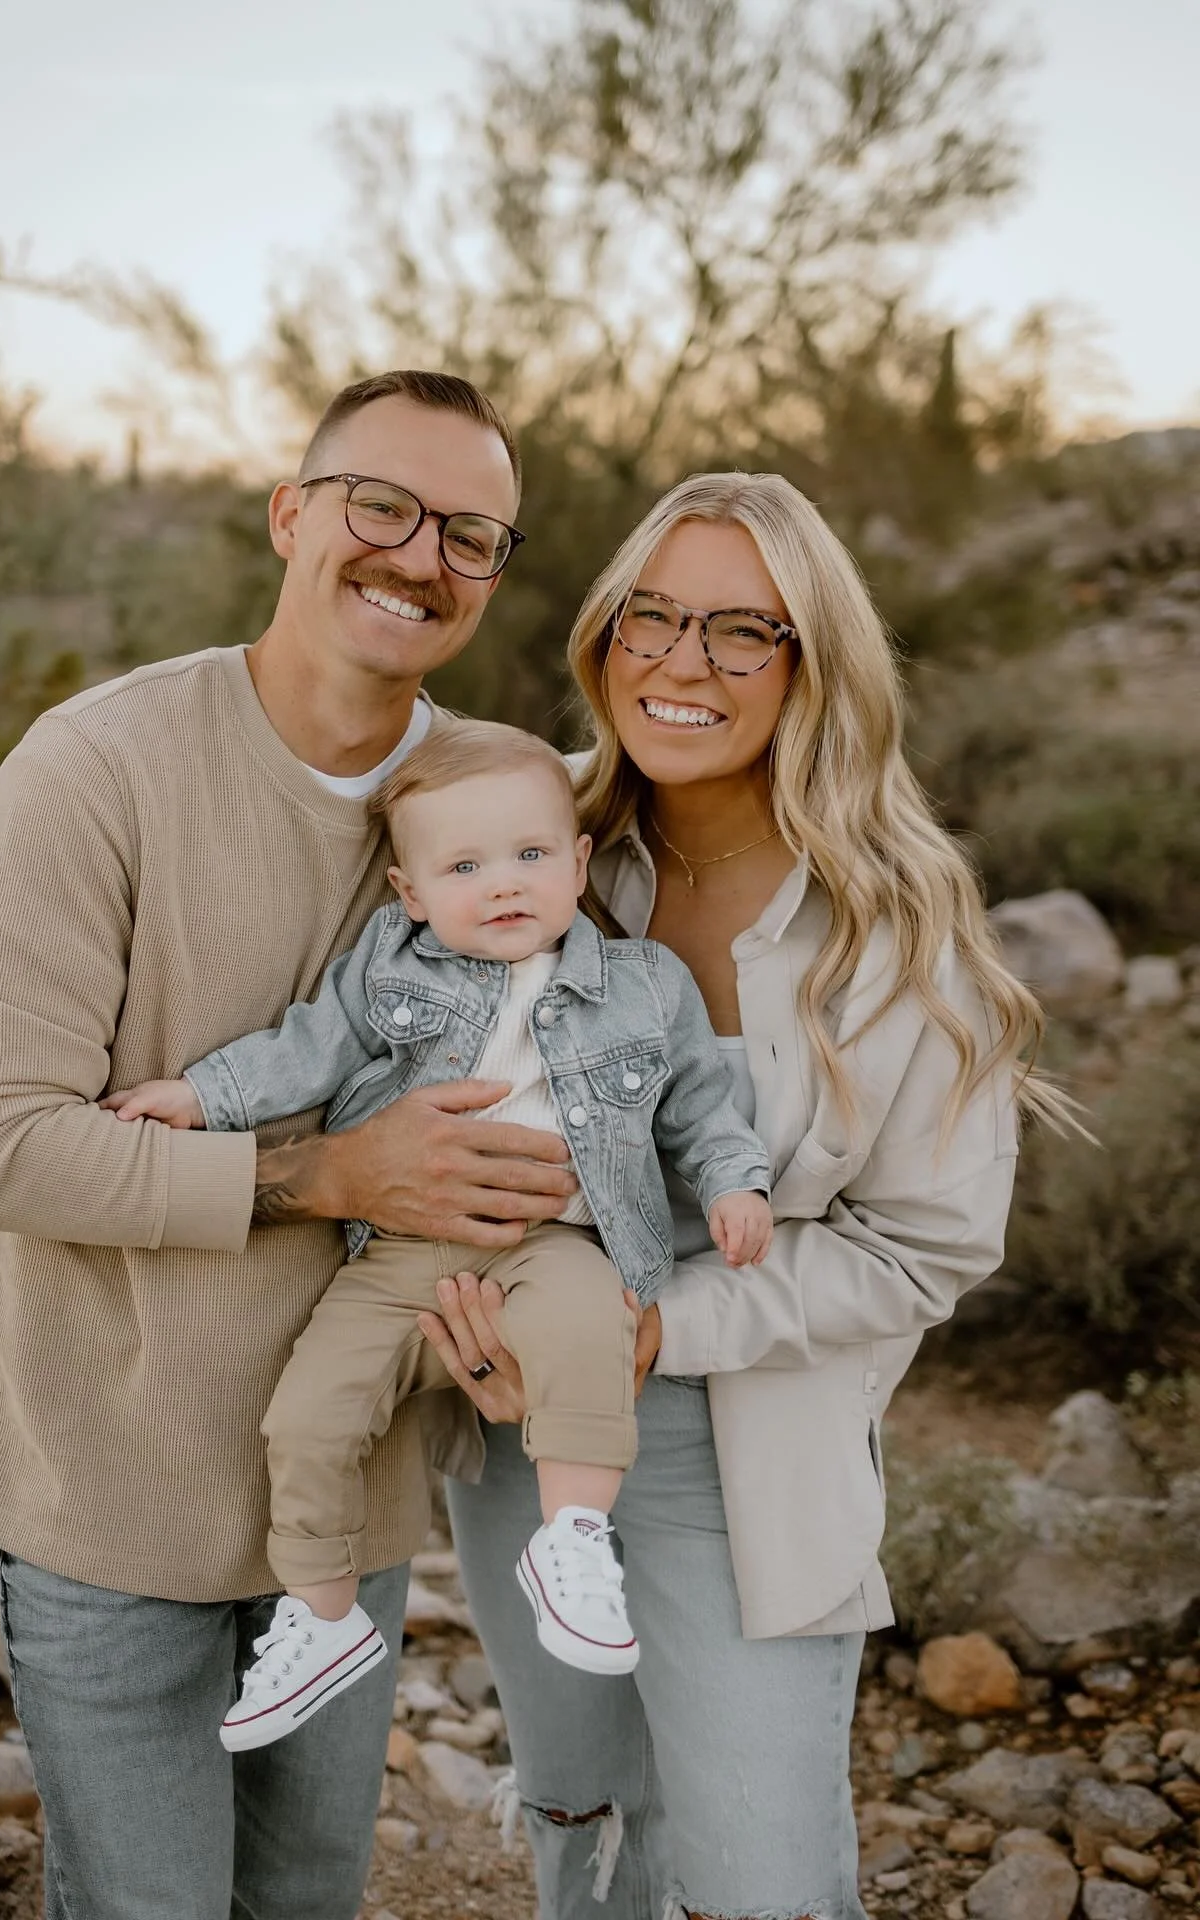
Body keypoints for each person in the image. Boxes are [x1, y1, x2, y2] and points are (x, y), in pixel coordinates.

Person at [0, 371, 587, 1920]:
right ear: (294, 514)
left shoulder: (498, 799)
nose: (420, 556)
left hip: (344, 1511)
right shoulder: (98, 767)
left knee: (302, 1907)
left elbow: (595, 1065)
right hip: (112, 1492)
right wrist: (322, 1179)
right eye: (385, 507)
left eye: (470, 534)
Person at [418, 472, 1063, 1920]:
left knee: (759, 1878)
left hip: (750, 1455)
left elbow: (921, 1250)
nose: (680, 662)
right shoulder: (533, 863)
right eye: (650, 614)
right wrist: (443, 1301)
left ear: (811, 665)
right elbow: (406, 1105)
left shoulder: (898, 938)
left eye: (740, 632)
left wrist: (661, 1329)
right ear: (603, 636)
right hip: (524, 1432)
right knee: (579, 1821)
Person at [105, 719, 773, 1748]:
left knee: (593, 1334)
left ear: (579, 860)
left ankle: (576, 1538)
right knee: (310, 1414)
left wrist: (736, 1186)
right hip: (406, 1251)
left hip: (559, 1240)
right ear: (411, 894)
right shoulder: (391, 964)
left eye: (530, 856)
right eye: (463, 866)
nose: (503, 884)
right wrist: (203, 1097)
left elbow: (700, 1112)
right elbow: (311, 1049)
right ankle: (323, 1615)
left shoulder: (646, 986)